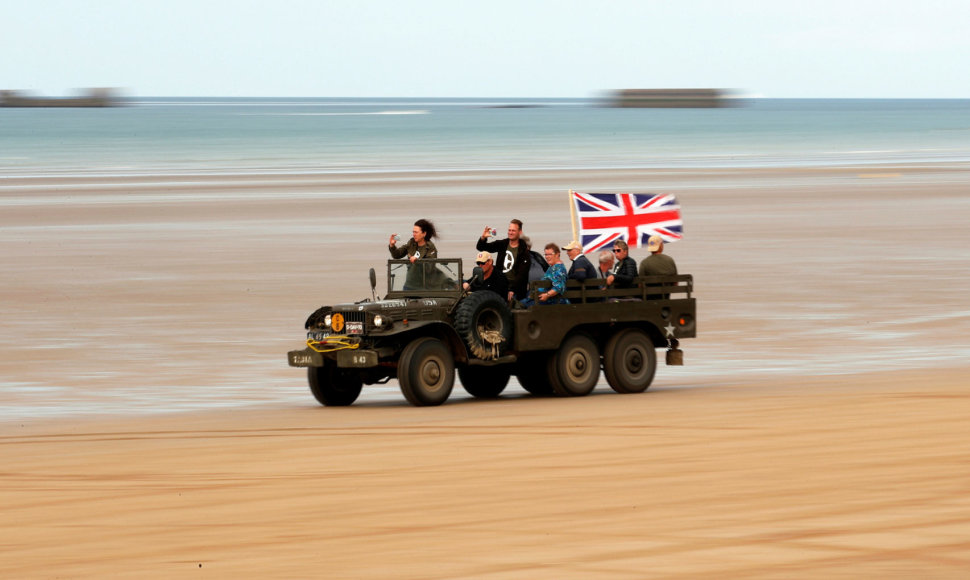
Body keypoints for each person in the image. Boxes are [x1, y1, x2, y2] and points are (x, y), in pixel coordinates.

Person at [476, 219, 531, 302]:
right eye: (509, 230)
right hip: (499, 284)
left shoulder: (524, 251)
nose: (510, 232)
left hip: (515, 288)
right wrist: (483, 237)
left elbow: (522, 274)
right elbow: (481, 248)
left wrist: (512, 290)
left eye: (513, 230)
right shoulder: (502, 244)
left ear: (519, 232)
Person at [388, 219, 438, 290]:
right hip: (410, 284)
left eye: (416, 232)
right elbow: (397, 255)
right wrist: (392, 245)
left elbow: (430, 267)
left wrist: (418, 262)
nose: (414, 234)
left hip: (425, 286)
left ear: (424, 233)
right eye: (413, 232)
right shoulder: (411, 243)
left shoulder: (430, 247)